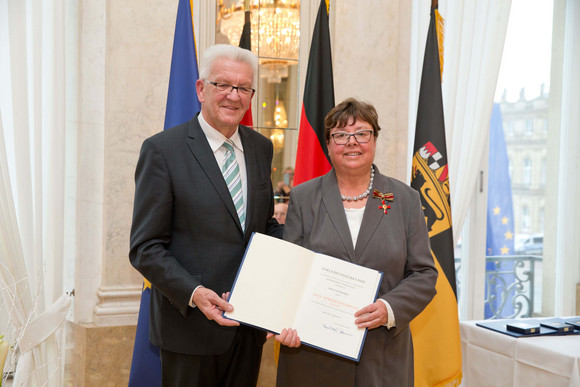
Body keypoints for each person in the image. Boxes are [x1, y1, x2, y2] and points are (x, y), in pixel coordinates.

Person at [129, 44, 283, 386]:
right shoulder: (162, 151)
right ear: (201, 89)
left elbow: (263, 227)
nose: (233, 96)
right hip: (189, 332)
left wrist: (301, 257)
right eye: (223, 85)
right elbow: (145, 248)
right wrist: (196, 292)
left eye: (244, 88)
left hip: (248, 327)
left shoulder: (260, 148)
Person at [274, 98, 438, 386]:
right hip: (313, 354)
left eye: (362, 133)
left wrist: (389, 308)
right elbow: (291, 273)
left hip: (382, 355)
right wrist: (284, 321)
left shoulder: (405, 200)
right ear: (328, 144)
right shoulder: (304, 197)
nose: (352, 143)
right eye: (340, 135)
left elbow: (424, 273)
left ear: (374, 140)